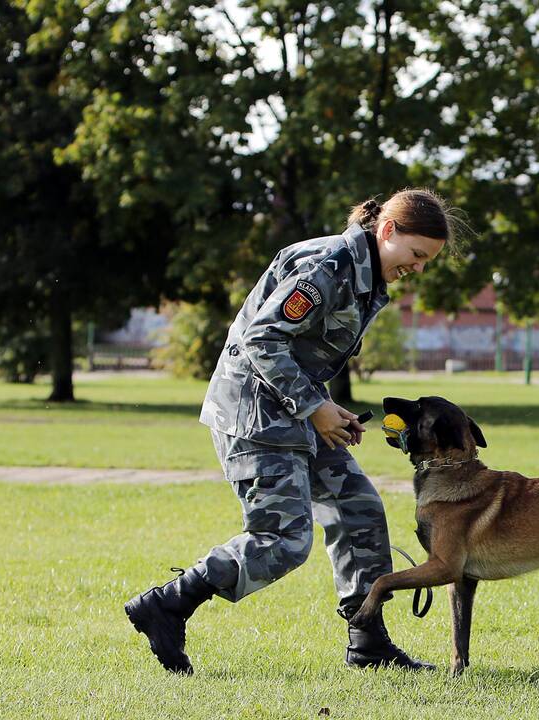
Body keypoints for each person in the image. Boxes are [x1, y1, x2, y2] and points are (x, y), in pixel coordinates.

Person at [125, 189, 454, 675]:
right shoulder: (329, 265)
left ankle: (368, 641)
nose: (419, 269)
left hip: (292, 408)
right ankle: (167, 605)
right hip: (253, 413)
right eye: (417, 255)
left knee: (358, 507)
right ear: (388, 231)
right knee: (282, 540)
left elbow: (299, 351)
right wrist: (313, 404)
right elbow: (262, 338)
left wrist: (325, 407)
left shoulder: (363, 275)